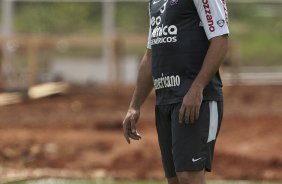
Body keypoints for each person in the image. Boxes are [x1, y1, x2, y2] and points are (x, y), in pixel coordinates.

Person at [122, 0, 229, 183]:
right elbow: (151, 54)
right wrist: (134, 106)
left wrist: (197, 88)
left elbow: (220, 39)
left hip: (195, 100)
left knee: (189, 177)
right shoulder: (154, 1)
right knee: (174, 180)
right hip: (165, 100)